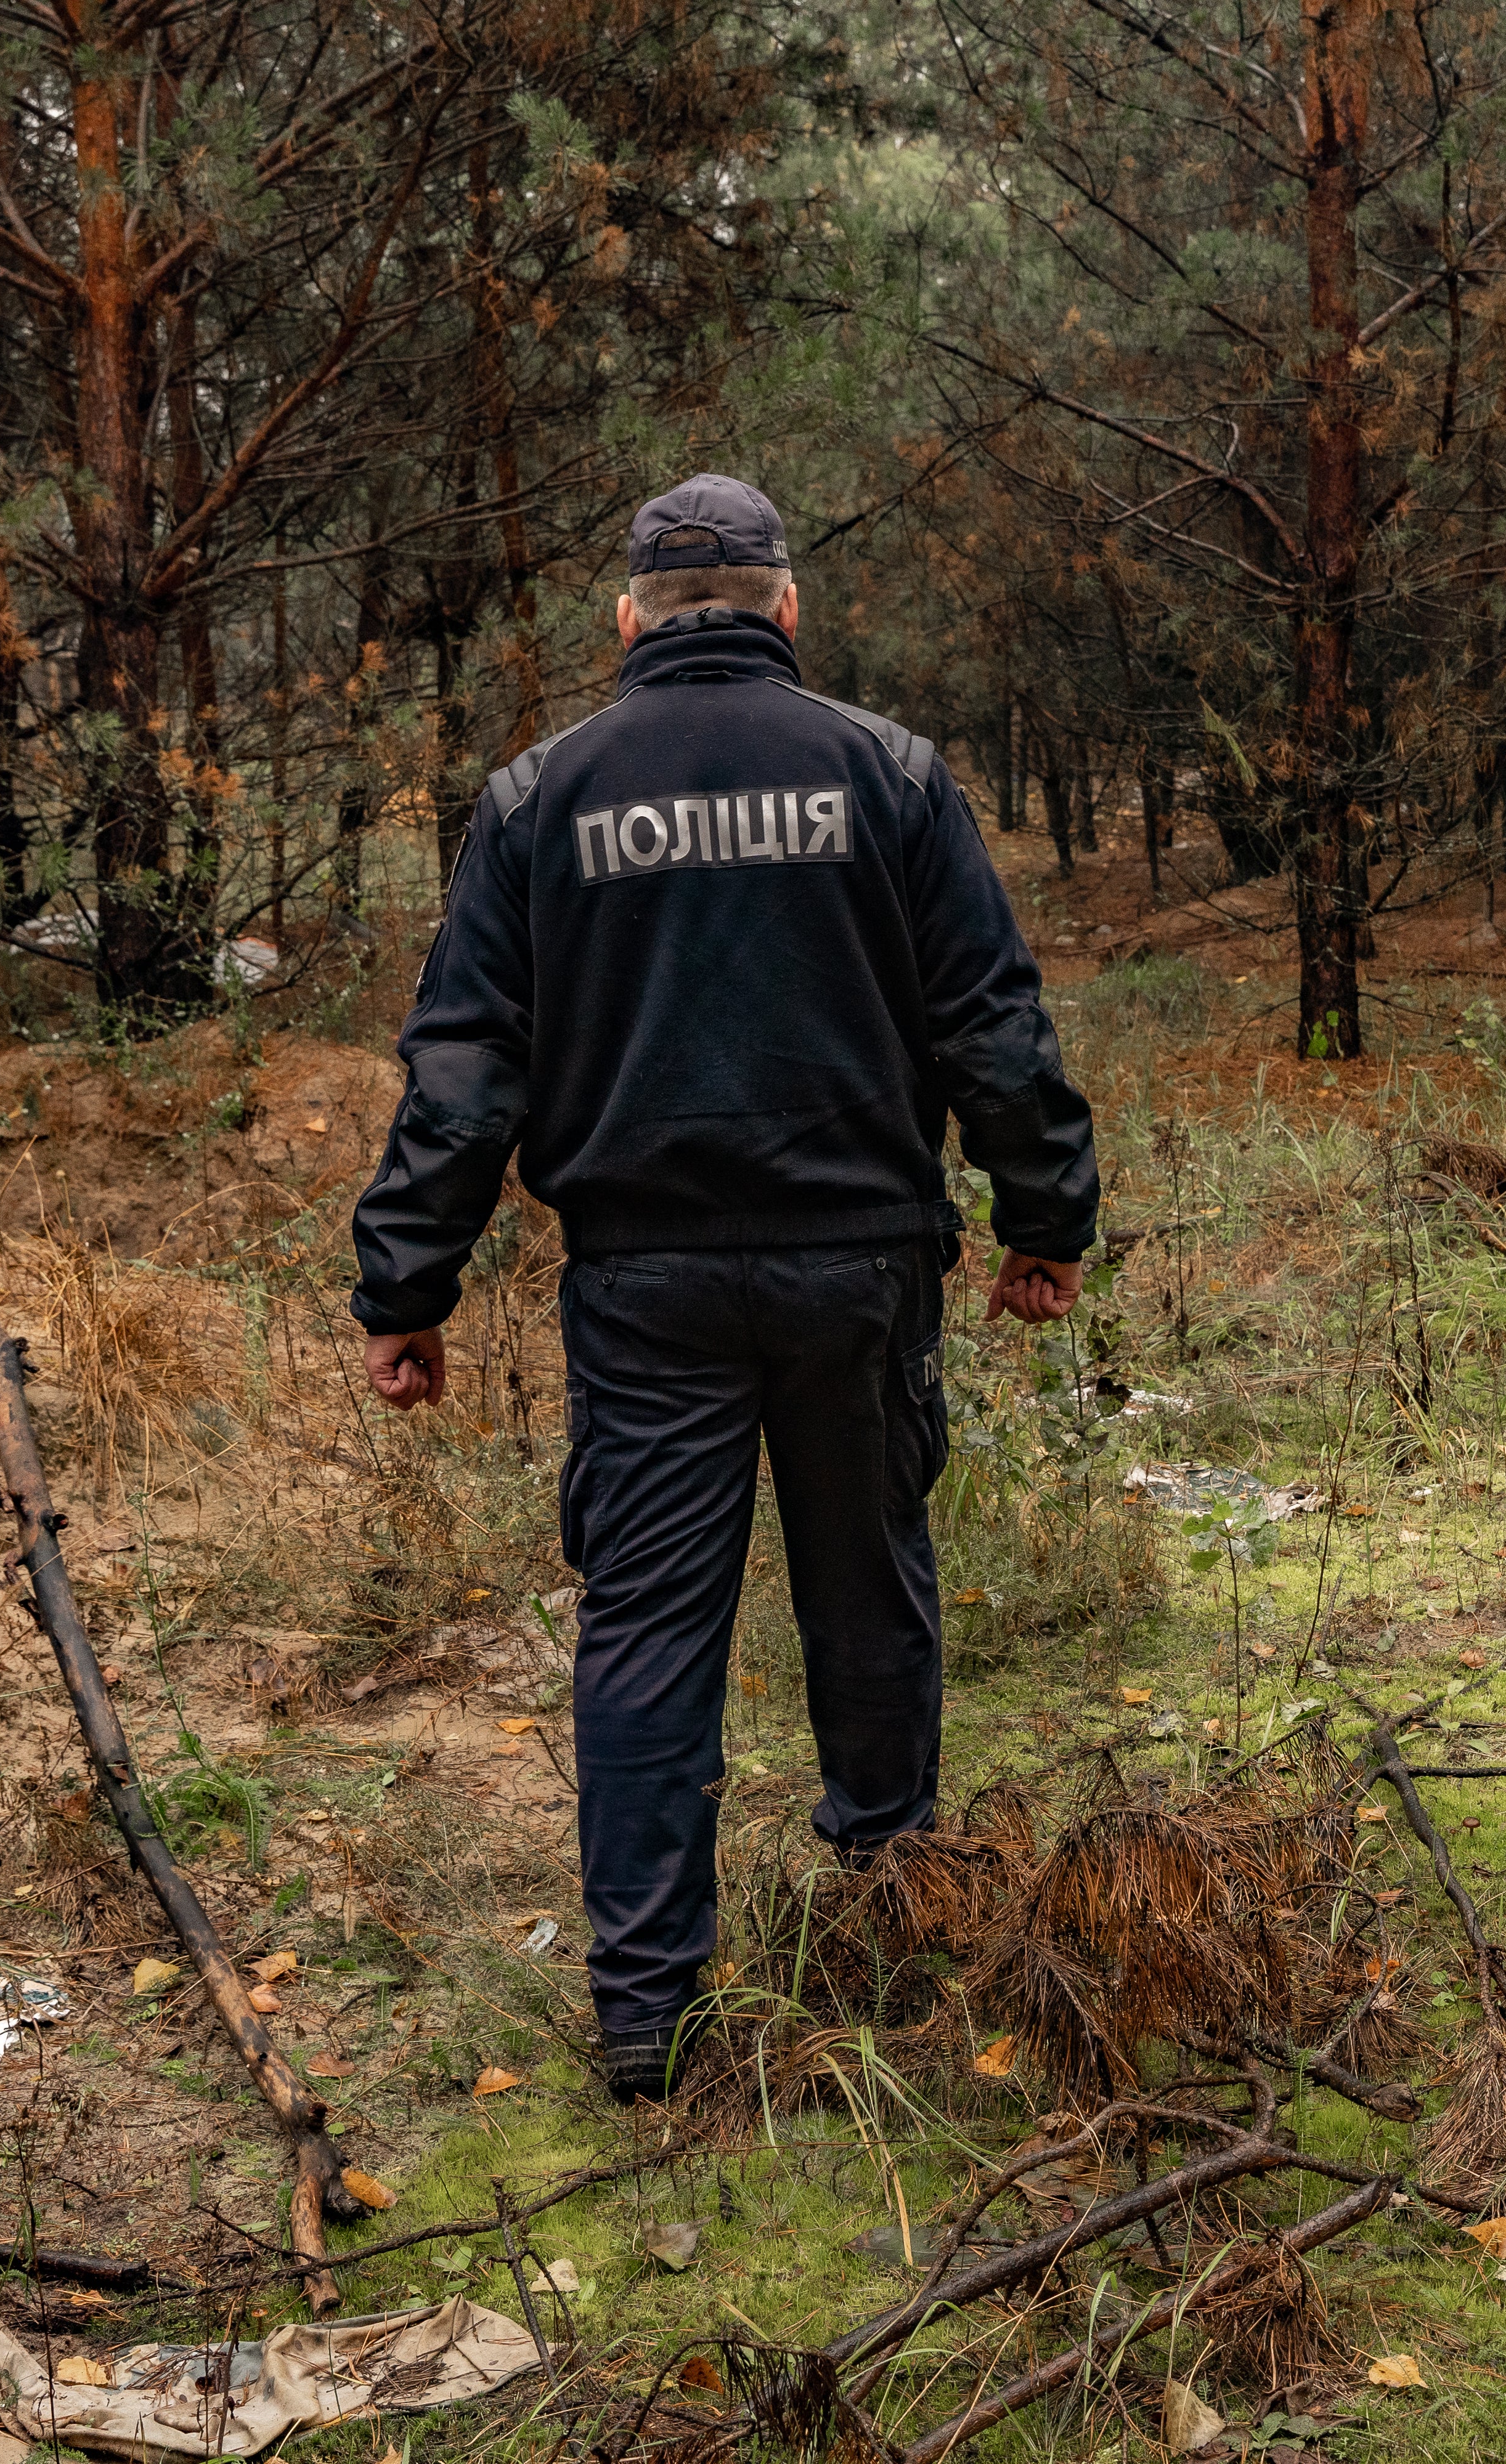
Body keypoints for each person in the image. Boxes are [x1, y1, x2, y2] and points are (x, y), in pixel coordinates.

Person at [346, 474, 1100, 2104]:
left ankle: (646, 2014)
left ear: (628, 622)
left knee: (648, 1631)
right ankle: (891, 1911)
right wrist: (1047, 1212)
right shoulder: (889, 775)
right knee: (867, 1583)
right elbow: (993, 1019)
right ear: (785, 610)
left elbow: (466, 1067)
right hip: (859, 1272)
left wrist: (408, 1282)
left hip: (646, 1289)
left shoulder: (539, 800)